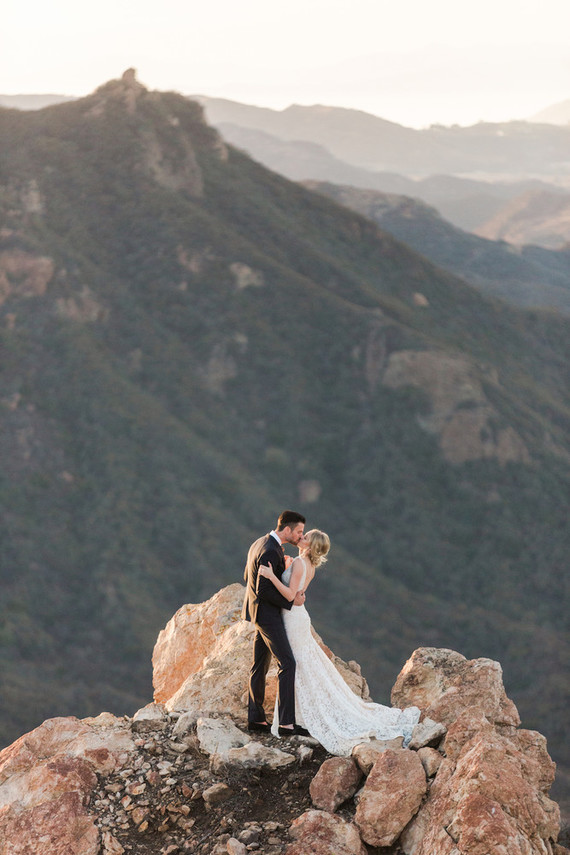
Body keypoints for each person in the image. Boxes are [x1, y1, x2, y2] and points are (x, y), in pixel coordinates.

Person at [258, 529, 421, 756]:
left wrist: (270, 575)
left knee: (294, 666)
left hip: (292, 619)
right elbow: (297, 592)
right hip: (298, 615)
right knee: (302, 665)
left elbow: (288, 595)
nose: (301, 538)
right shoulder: (309, 565)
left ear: (309, 544)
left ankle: (296, 717)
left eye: (305, 537)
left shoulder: (298, 563)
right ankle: (296, 715)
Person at [242, 510, 310, 736]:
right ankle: (286, 724)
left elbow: (247, 577)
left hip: (257, 612)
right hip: (268, 615)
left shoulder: (259, 543)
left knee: (259, 665)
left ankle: (256, 719)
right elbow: (264, 589)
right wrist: (291, 600)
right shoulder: (271, 550)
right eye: (299, 531)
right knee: (288, 663)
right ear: (287, 529)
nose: (300, 536)